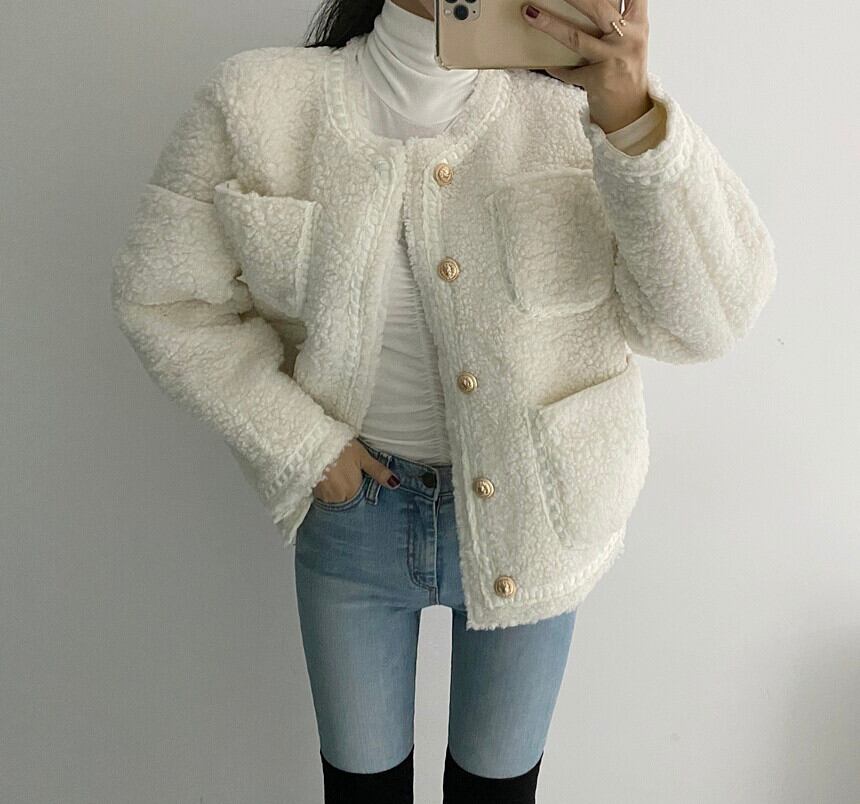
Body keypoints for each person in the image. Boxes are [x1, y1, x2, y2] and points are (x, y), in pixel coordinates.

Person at [110, 0, 777, 800]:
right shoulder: (258, 104)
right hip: (354, 516)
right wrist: (303, 445)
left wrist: (631, 116)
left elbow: (708, 322)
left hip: (539, 519)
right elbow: (165, 299)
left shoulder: (575, 113)